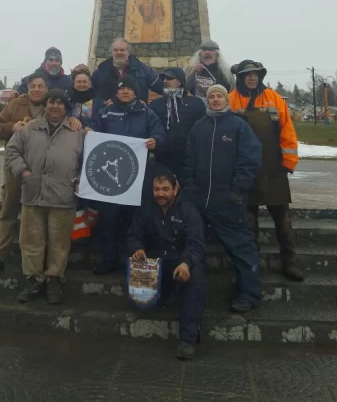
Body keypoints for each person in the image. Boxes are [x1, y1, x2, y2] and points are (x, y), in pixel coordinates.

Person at [0, 74, 81, 275]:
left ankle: (45, 267)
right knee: (9, 210)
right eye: (32, 86)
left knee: (41, 221)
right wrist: (12, 127)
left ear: (46, 90)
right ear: (27, 88)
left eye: (40, 86)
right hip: (17, 170)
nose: (36, 89)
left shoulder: (55, 108)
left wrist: (75, 121)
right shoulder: (15, 104)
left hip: (47, 177)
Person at [185, 84, 262, 313]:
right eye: (212, 96)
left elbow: (249, 160)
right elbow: (189, 161)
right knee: (192, 247)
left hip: (228, 201)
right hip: (200, 202)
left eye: (219, 96)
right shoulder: (198, 128)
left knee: (241, 248)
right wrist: (190, 190)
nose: (216, 99)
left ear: (226, 101)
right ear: (207, 101)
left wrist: (237, 191)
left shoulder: (239, 126)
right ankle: (187, 293)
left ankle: (249, 293)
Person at [5, 89, 84, 304]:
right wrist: (23, 172)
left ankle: (54, 280)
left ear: (66, 107)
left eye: (60, 102)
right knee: (31, 241)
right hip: (33, 195)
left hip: (63, 196)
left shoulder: (78, 132)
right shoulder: (28, 129)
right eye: (51, 102)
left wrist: (79, 180)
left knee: (59, 243)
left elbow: (88, 161)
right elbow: (11, 151)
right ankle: (33, 281)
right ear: (45, 105)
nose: (55, 106)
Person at [229, 60, 304, 282]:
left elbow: (287, 130)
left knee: (283, 220)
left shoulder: (274, 98)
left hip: (273, 167)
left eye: (256, 74)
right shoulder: (231, 99)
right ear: (240, 78)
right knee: (249, 223)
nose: (252, 78)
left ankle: (289, 262)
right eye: (247, 75)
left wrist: (289, 161)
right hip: (245, 170)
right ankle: (252, 265)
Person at [90, 76, 166, 275]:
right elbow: (92, 132)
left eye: (130, 90)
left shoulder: (147, 114)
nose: (125, 92)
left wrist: (155, 141)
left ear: (135, 93)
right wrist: (88, 132)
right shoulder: (105, 113)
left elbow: (160, 135)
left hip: (138, 178)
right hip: (111, 179)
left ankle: (138, 261)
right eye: (122, 89)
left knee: (137, 220)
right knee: (108, 220)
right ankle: (108, 259)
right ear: (116, 92)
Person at [128, 170, 206, 361]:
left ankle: (187, 340)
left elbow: (196, 243)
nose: (160, 194)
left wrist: (186, 263)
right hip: (155, 264)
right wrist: (136, 248)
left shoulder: (188, 210)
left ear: (175, 190)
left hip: (179, 263)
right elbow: (132, 235)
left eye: (165, 189)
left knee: (195, 277)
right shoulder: (145, 209)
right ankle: (164, 297)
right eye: (156, 189)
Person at [150, 68, 205, 186]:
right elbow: (150, 128)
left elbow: (202, 131)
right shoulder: (156, 104)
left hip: (188, 161)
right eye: (164, 78)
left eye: (170, 78)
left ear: (180, 81)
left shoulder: (196, 104)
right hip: (162, 160)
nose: (165, 81)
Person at [91, 37, 163, 113]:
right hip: (107, 118)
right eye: (116, 50)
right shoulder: (100, 71)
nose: (119, 52)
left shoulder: (143, 70)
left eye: (122, 50)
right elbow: (86, 93)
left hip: (136, 116)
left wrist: (149, 107)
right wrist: (103, 103)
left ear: (128, 52)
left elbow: (162, 88)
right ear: (111, 52)